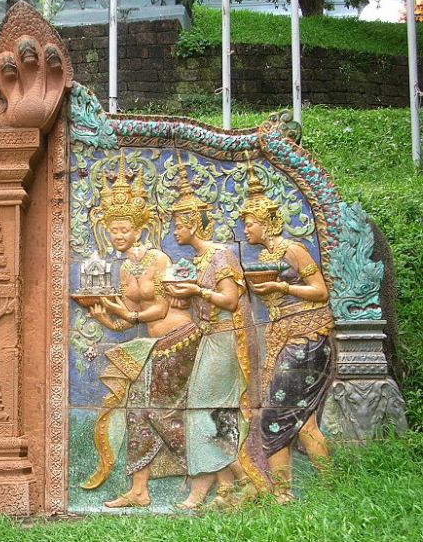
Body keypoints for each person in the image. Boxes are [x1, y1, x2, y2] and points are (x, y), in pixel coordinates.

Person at [81, 152, 201, 508]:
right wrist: (102, 314)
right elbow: (127, 319)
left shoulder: (159, 258)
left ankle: (217, 469)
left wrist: (128, 316)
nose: (118, 235)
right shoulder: (122, 270)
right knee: (137, 409)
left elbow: (160, 308)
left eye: (124, 229)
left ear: (139, 229)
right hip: (155, 342)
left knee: (157, 410)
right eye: (112, 229)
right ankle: (139, 490)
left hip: (179, 340)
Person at [165, 153, 258, 509]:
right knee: (205, 413)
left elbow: (230, 300)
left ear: (193, 222)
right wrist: (182, 294)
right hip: (209, 338)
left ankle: (238, 479)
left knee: (201, 411)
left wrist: (197, 291)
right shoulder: (203, 260)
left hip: (223, 340)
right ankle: (220, 486)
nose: (175, 231)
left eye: (178, 224)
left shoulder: (220, 256)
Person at [240, 170, 333, 503]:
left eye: (250, 222)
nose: (245, 229)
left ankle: (284, 493)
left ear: (266, 223)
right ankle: (329, 488)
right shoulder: (266, 256)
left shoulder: (292, 250)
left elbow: (320, 291)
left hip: (306, 339)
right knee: (303, 420)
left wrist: (283, 286)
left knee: (275, 416)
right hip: (287, 338)